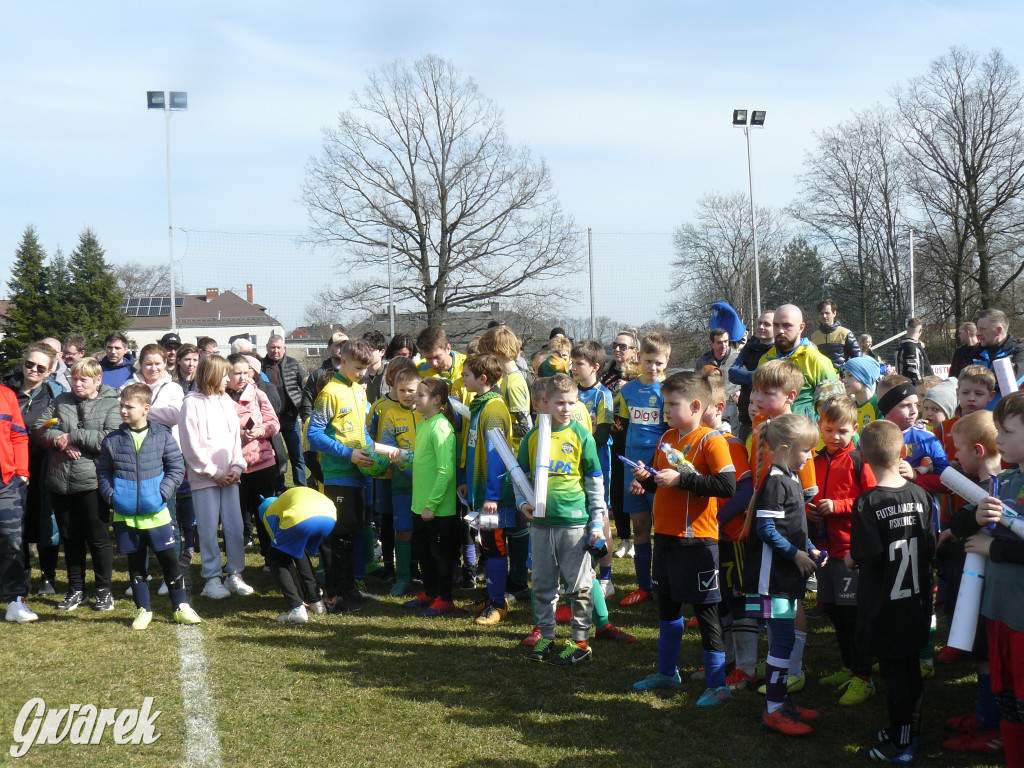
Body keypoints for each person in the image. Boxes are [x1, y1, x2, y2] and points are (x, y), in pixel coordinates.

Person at [630, 371, 736, 706]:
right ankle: (666, 671)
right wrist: (646, 478)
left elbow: (726, 486)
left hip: (698, 543)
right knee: (668, 607)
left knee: (706, 613)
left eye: (672, 404)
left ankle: (717, 683)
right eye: (665, 404)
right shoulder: (668, 438)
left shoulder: (711, 440)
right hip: (665, 539)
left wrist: (681, 481)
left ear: (694, 405)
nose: (666, 410)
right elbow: (665, 481)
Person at [848, 419, 935, 763]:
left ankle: (904, 741)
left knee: (900, 677)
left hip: (885, 606)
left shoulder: (867, 503)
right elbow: (928, 546)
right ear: (902, 451)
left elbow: (864, 555)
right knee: (905, 668)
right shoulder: (921, 495)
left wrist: (850, 561)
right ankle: (904, 729)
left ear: (861, 455)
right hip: (916, 602)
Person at [950, 394, 1024, 764]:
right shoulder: (1005, 481)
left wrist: (992, 550)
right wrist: (976, 516)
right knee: (1008, 700)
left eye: (1007, 432)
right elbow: (960, 523)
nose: (1000, 440)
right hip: (1000, 615)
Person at [740, 413, 821, 735]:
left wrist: (811, 547)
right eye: (806, 450)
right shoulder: (775, 482)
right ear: (786, 449)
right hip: (769, 580)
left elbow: (794, 527)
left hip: (783, 577)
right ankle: (774, 710)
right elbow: (766, 529)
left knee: (783, 641)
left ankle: (780, 701)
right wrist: (797, 554)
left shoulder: (791, 477)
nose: (810, 456)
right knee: (782, 640)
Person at [517, 374, 606, 665]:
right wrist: (522, 503)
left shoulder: (581, 435)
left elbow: (594, 480)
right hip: (541, 525)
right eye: (559, 403)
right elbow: (520, 477)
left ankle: (580, 642)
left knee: (578, 586)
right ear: (545, 402)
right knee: (542, 584)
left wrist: (596, 520)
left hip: (574, 524)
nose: (566, 408)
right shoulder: (534, 436)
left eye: (571, 403)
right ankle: (546, 635)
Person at [97, 383, 198, 629]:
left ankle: (180, 606)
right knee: (136, 565)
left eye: (129, 406)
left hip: (158, 514)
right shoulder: (112, 440)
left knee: (169, 563)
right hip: (125, 516)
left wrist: (162, 493)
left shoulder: (162, 436)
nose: (123, 410)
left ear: (146, 408)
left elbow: (176, 467)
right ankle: (143, 609)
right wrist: (112, 496)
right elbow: (103, 472)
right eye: (121, 405)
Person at [307, 338, 388, 613]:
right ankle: (335, 593)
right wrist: (347, 454)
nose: (362, 372)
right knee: (338, 536)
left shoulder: (358, 390)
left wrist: (371, 452)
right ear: (342, 360)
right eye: (357, 367)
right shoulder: (330, 392)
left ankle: (350, 588)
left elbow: (360, 430)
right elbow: (314, 434)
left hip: (360, 471)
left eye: (366, 368)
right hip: (339, 473)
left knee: (355, 532)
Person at [34, 358, 121, 612]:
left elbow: (110, 438)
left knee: (98, 537)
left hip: (93, 481)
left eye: (84, 379)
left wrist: (74, 436)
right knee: (70, 538)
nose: (78, 383)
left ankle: (104, 590)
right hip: (61, 480)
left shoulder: (110, 403)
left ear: (97, 380)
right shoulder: (61, 401)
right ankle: (76, 589)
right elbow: (40, 429)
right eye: (74, 378)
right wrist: (61, 440)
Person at [943, 411, 1005, 755]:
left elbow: (983, 523)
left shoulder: (997, 487)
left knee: (987, 657)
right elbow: (967, 521)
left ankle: (991, 726)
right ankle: (985, 714)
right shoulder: (984, 485)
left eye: (959, 450)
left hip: (990, 591)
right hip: (976, 586)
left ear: (978, 450)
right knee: (982, 653)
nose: (954, 457)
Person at [808, 395, 877, 705]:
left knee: (852, 616)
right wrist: (811, 510)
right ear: (820, 427)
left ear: (855, 430)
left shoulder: (859, 460)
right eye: (829, 430)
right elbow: (810, 494)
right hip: (824, 550)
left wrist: (838, 506)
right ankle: (849, 667)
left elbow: (873, 500)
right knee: (834, 611)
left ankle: (864, 676)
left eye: (842, 431)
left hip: (850, 550)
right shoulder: (815, 458)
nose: (835, 437)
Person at [177, 354, 253, 600]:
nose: (228, 379)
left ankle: (234, 573)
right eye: (224, 374)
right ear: (211, 375)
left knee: (235, 527)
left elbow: (234, 442)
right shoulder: (191, 403)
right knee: (208, 529)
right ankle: (211, 577)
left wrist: (236, 468)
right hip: (205, 478)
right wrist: (215, 473)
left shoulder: (226, 402)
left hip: (231, 477)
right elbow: (191, 447)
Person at [457, 353, 515, 625]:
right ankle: (491, 596)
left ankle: (498, 603)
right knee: (486, 544)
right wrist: (468, 480)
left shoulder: (492, 410)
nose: (462, 378)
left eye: (466, 374)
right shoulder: (480, 405)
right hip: (482, 493)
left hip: (494, 498)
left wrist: (492, 495)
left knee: (494, 544)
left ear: (483, 379)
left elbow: (497, 456)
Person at [3, 343, 65, 595]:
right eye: (30, 364)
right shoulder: (5, 389)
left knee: (45, 521)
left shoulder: (54, 395)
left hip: (42, 466)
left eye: (41, 367)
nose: (34, 370)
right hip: (8, 468)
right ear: (23, 362)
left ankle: (47, 576)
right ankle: (20, 577)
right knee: (15, 525)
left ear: (50, 371)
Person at [616, 333, 670, 607]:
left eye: (659, 363)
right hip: (631, 467)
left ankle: (662, 583)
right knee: (639, 528)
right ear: (639, 359)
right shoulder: (626, 391)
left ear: (666, 362)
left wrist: (648, 473)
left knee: (661, 529)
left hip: (656, 469)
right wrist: (632, 468)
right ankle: (643, 586)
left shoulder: (669, 393)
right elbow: (625, 430)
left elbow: (670, 436)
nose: (653, 368)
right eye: (649, 361)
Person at [402, 378, 459, 617]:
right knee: (423, 551)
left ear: (437, 400)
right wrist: (403, 457)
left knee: (440, 557)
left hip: (438, 510)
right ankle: (430, 592)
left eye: (421, 395)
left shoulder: (441, 428)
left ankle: (445, 599)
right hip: (421, 505)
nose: (416, 398)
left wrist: (432, 506)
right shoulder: (425, 423)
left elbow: (445, 471)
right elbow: (423, 458)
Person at [226, 353, 280, 562]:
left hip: (262, 462)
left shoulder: (258, 394)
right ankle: (235, 561)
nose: (241, 377)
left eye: (245, 372)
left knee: (265, 513)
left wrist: (259, 431)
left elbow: (274, 423)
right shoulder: (219, 399)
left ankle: (270, 556)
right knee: (236, 514)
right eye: (236, 373)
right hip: (233, 464)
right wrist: (237, 435)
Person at [571, 340, 615, 595]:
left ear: (595, 367)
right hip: (573, 462)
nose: (574, 368)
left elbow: (602, 434)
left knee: (601, 515)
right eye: (573, 363)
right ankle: (584, 569)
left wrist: (581, 436)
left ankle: (606, 578)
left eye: (579, 363)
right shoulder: (571, 393)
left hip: (598, 461)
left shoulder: (603, 395)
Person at [376, 360, 422, 596]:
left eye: (411, 391)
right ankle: (403, 577)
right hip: (402, 483)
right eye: (401, 390)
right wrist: (408, 468)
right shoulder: (390, 413)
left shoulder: (428, 412)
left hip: (428, 485)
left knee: (426, 530)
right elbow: (387, 449)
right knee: (403, 530)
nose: (406, 395)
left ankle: (425, 575)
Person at [257, 488, 336, 623]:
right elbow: (327, 553)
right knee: (300, 551)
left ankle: (297, 608)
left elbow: (283, 556)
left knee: (275, 558)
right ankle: (317, 602)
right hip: (330, 514)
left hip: (300, 517)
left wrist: (298, 598)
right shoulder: (285, 502)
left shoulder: (268, 514)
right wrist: (333, 591)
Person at [757, 304, 838, 420]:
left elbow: (836, 406)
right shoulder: (765, 360)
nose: (780, 331)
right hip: (770, 433)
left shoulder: (816, 361)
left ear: (801, 327)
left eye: (787, 326)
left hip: (806, 434)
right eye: (776, 325)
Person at [0, 371, 33, 622]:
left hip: (6, 482)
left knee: (13, 540)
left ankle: (15, 601)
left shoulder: (7, 395)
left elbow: (18, 435)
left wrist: (21, 472)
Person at [602, 330, 639, 555]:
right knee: (616, 487)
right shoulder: (607, 375)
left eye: (623, 346)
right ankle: (624, 538)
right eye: (615, 345)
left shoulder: (640, 376)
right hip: (612, 437)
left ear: (635, 351)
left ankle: (638, 536)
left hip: (634, 437)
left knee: (634, 486)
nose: (617, 349)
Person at [263, 334, 307, 488]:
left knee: (297, 455)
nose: (275, 351)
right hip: (271, 420)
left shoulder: (293, 364)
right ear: (267, 348)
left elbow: (305, 386)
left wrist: (303, 409)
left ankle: (301, 486)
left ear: (284, 348)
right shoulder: (261, 366)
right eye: (272, 347)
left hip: (291, 417)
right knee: (276, 456)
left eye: (278, 348)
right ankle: (278, 488)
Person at [730, 310, 775, 441]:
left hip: (769, 420)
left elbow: (773, 381)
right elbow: (732, 374)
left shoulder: (778, 352)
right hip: (746, 419)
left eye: (767, 324)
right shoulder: (748, 348)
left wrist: (746, 374)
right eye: (759, 323)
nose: (761, 327)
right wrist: (758, 374)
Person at [969, 309, 1024, 398]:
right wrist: (1002, 371)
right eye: (977, 329)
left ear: (999, 330)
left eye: (982, 329)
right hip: (978, 410)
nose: (978, 334)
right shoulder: (976, 351)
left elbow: (1013, 376)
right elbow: (965, 379)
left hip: (1007, 409)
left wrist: (977, 376)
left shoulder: (1019, 351)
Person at [416, 326, 471, 405]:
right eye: (428, 358)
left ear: (448, 348)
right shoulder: (420, 372)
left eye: (437, 357)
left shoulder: (469, 365)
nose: (434, 363)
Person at [300, 331, 347, 422]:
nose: (342, 349)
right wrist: (310, 426)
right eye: (338, 345)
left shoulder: (354, 373)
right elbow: (306, 405)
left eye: (345, 346)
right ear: (329, 349)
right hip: (323, 428)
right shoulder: (318, 375)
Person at [810, 299, 861, 369]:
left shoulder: (845, 333)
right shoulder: (814, 337)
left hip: (841, 377)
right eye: (821, 313)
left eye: (827, 313)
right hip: (821, 377)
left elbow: (857, 358)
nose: (824, 316)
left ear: (834, 313)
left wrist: (846, 373)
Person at [841, 355, 882, 429]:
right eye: (844, 376)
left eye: (850, 375)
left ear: (864, 378)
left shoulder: (879, 405)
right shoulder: (848, 406)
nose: (844, 381)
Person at [893, 318, 933, 385]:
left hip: (903, 386)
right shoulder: (912, 348)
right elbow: (914, 373)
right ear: (920, 330)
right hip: (915, 389)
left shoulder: (900, 347)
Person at [362, 329, 389, 403]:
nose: (366, 354)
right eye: (364, 350)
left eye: (370, 350)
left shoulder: (391, 374)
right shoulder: (358, 373)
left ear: (382, 352)